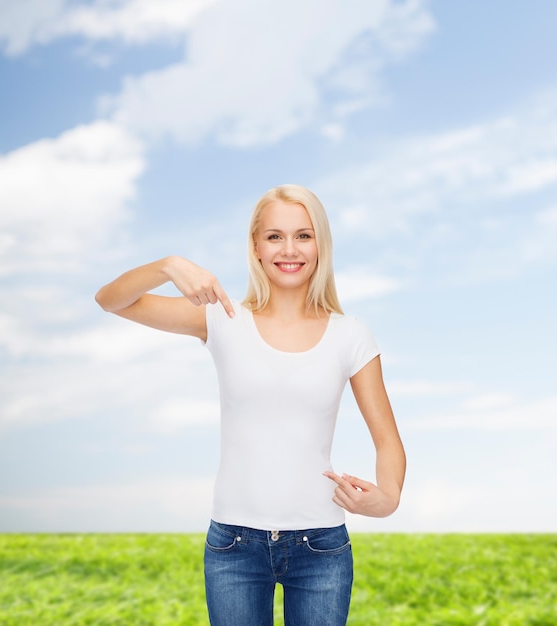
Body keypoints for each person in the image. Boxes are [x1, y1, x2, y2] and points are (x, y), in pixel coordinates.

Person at [95, 184, 406, 626]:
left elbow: (388, 441)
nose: (289, 249)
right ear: (256, 247)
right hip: (233, 547)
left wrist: (388, 498)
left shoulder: (350, 335)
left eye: (304, 234)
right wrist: (168, 266)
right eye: (275, 236)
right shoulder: (222, 319)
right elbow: (110, 301)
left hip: (320, 546)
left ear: (321, 245)